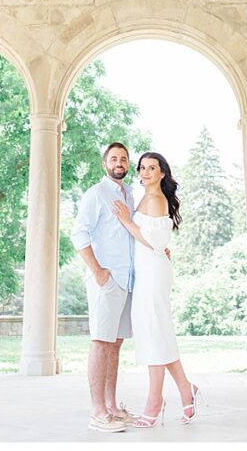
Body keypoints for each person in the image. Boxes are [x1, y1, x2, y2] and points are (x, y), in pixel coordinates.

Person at [111, 151, 201, 428]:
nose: (145, 172)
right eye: (142, 168)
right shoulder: (147, 198)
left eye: (152, 168)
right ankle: (186, 389)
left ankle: (154, 400)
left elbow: (153, 239)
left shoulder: (155, 198)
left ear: (162, 172)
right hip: (149, 270)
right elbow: (157, 239)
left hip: (153, 274)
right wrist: (158, 245)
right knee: (157, 331)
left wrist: (127, 221)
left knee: (153, 331)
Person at [71, 142, 139, 432]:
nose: (119, 162)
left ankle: (112, 407)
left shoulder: (130, 195)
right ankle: (98, 412)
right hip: (106, 281)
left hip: (128, 280)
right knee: (101, 342)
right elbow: (78, 234)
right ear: (105, 164)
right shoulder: (96, 194)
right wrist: (98, 271)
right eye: (114, 158)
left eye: (123, 158)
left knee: (116, 343)